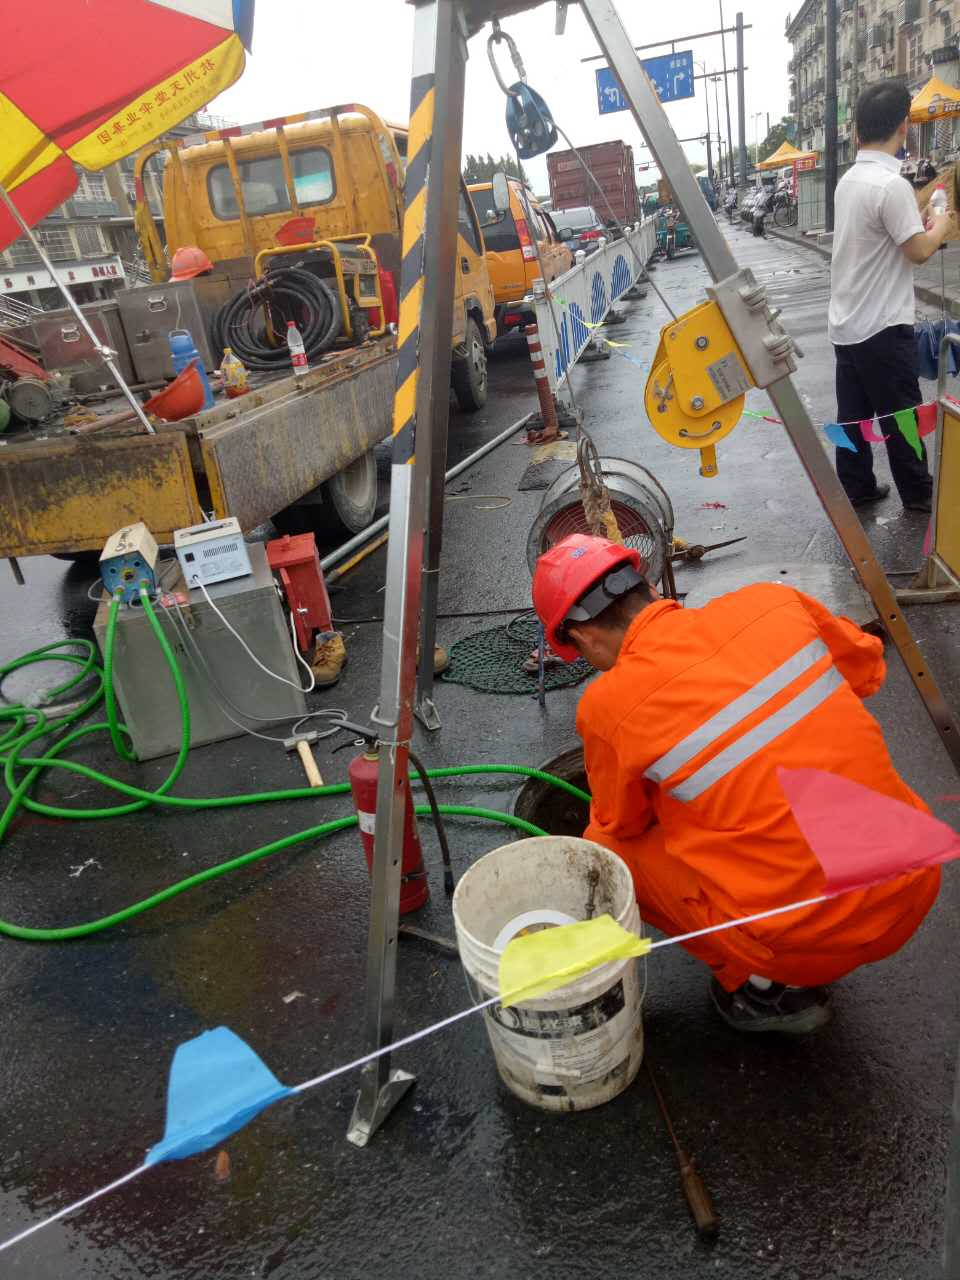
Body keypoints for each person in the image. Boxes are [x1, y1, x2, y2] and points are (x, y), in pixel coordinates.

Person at [531, 533, 940, 1035]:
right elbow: (866, 670)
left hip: (814, 944)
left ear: (584, 636)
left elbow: (623, 822)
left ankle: (764, 990)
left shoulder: (608, 707)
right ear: (649, 587)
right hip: (915, 887)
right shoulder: (772, 603)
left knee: (607, 848)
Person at [829, 81, 954, 514]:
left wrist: (920, 219)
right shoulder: (890, 185)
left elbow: (882, 234)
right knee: (902, 415)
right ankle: (918, 493)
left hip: (846, 323)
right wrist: (942, 222)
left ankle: (857, 485)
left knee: (854, 416)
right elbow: (918, 250)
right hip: (882, 325)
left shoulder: (849, 181)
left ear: (858, 130)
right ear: (904, 125)